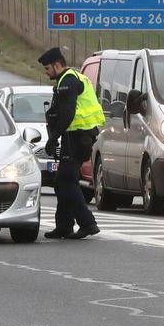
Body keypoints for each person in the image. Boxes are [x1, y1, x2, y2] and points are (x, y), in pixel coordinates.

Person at [38, 46, 105, 239]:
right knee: (62, 182)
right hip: (78, 135)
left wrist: (53, 138)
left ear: (57, 64)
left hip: (77, 136)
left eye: (47, 68)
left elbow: (68, 113)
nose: (46, 71)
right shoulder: (71, 78)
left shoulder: (68, 81)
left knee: (67, 179)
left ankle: (87, 223)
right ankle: (64, 225)